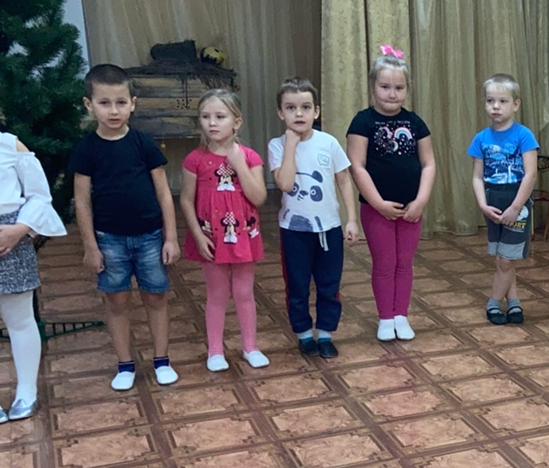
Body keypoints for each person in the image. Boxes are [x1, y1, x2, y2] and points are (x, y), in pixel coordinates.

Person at [71, 63, 180, 391]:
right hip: (109, 240)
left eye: (121, 102)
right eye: (104, 103)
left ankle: (161, 360)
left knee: (156, 297)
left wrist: (171, 237)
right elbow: (82, 202)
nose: (114, 110)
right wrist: (90, 246)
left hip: (150, 237)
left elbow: (164, 193)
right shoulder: (87, 149)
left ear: (132, 103)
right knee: (116, 302)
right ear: (89, 105)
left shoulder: (143, 143)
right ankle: (125, 364)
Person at [346, 47, 437, 341]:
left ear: (407, 89)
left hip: (411, 209)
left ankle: (401, 315)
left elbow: (429, 163)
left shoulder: (415, 122)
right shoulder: (363, 122)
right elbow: (357, 166)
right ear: (373, 86)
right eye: (385, 87)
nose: (392, 94)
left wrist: (420, 201)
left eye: (399, 88)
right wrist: (378, 203)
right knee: (384, 263)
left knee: (404, 263)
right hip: (377, 209)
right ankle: (386, 317)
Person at [268, 78, 359, 358]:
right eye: (291, 108)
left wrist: (351, 219)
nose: (299, 113)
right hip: (293, 231)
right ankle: (304, 334)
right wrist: (291, 146)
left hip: (328, 229)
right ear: (281, 113)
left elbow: (343, 180)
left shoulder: (328, 143)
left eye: (305, 107)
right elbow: (285, 184)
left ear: (316, 111)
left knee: (329, 285)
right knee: (297, 286)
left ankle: (326, 334)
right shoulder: (277, 146)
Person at [179, 89, 268, 372]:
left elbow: (258, 197)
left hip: (243, 236)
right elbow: (186, 199)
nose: (212, 123)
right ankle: (215, 351)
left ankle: (250, 347)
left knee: (243, 291)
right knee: (216, 293)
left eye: (220, 116)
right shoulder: (195, 159)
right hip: (211, 236)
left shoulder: (250, 157)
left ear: (236, 122)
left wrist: (240, 165)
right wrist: (198, 235)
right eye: (206, 117)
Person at [0, 131, 67, 421]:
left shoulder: (10, 145)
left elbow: (39, 195)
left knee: (20, 319)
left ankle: (26, 392)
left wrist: (20, 228)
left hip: (10, 237)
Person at [469, 73, 539, 325]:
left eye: (502, 101)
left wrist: (516, 207)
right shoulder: (481, 138)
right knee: (502, 257)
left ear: (516, 104)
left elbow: (530, 174)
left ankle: (493, 302)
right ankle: (514, 302)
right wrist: (483, 205)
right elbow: (477, 176)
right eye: (490, 101)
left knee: (506, 259)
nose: (495, 107)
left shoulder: (524, 136)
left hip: (516, 203)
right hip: (493, 202)